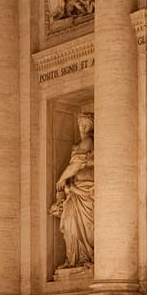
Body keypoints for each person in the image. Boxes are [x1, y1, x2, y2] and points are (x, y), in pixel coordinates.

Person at [50, 111, 96, 267]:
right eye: (80, 124)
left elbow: (76, 164)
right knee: (70, 222)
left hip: (86, 191)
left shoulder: (88, 141)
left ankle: (85, 257)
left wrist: (62, 179)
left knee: (86, 226)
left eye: (86, 124)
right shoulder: (79, 144)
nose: (82, 127)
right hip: (75, 191)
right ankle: (74, 258)